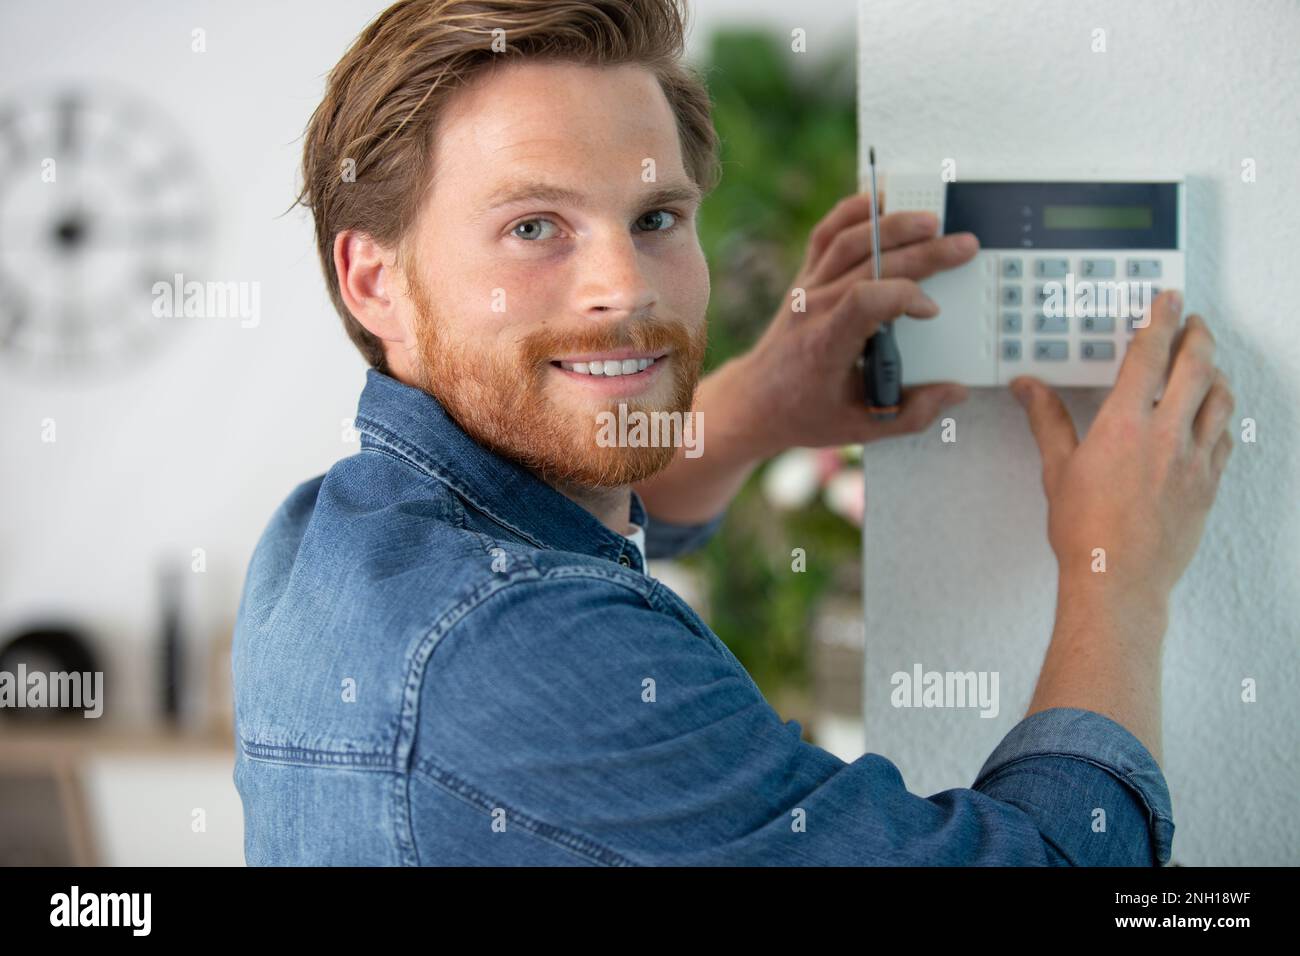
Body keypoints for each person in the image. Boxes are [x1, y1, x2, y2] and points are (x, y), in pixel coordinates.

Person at [232, 0, 1234, 866]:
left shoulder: (323, 546)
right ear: (374, 281)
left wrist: (758, 400)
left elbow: (555, 529)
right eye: (535, 227)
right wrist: (1119, 574)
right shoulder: (520, 647)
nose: (623, 286)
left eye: (657, 217)